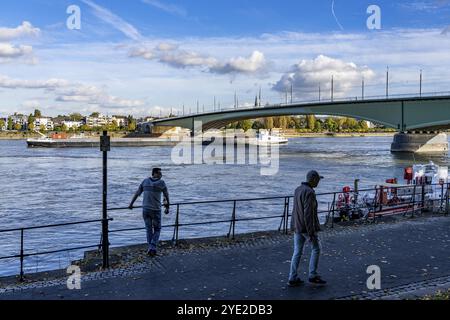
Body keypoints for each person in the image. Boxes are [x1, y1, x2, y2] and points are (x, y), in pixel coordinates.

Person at [288, 170, 327, 287]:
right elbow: (308, 214)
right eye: (318, 180)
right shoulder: (309, 192)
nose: (318, 182)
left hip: (297, 226)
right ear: (313, 179)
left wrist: (293, 225)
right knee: (316, 248)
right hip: (305, 227)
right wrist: (311, 233)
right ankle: (312, 275)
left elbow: (295, 210)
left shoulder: (298, 189)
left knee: (297, 252)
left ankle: (292, 277)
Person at [129, 168, 170, 257]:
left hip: (146, 209)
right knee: (157, 229)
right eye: (159, 173)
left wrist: (131, 204)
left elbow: (137, 193)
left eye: (161, 174)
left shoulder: (145, 181)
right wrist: (167, 207)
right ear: (154, 173)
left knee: (148, 229)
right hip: (156, 210)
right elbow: (166, 195)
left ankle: (150, 248)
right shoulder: (161, 183)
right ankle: (152, 247)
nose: (161, 175)